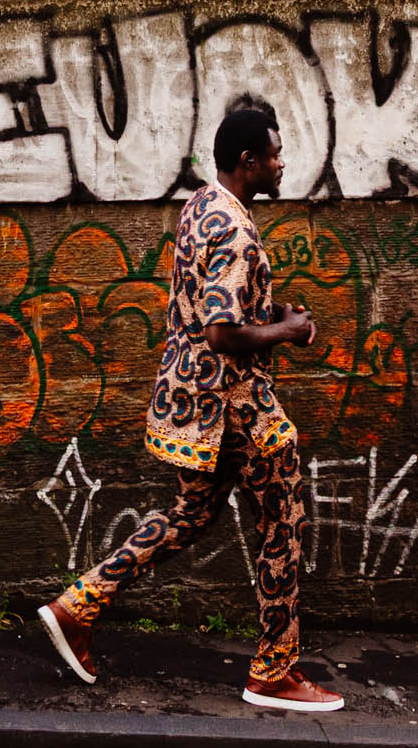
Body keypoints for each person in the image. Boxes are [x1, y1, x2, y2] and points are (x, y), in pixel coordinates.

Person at [36, 105, 342, 712]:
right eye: (275, 156)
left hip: (190, 398)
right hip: (234, 406)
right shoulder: (235, 230)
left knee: (192, 515)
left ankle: (79, 605)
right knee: (284, 522)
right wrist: (286, 333)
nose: (283, 165)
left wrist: (278, 318)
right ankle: (273, 673)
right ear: (248, 162)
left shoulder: (201, 205)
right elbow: (223, 332)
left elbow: (214, 308)